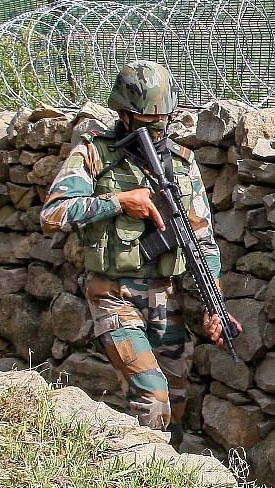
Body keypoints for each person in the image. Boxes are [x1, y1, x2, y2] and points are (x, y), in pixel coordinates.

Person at [40, 60, 236, 444]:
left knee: (176, 395)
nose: (158, 128)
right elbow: (53, 213)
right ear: (123, 114)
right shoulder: (95, 153)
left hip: (166, 295)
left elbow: (203, 241)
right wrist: (117, 202)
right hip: (113, 295)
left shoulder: (181, 161)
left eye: (164, 118)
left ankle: (172, 477)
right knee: (152, 394)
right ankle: (148, 486)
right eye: (147, 121)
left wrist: (217, 305)